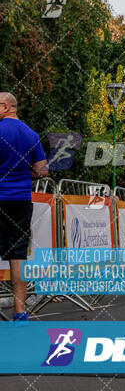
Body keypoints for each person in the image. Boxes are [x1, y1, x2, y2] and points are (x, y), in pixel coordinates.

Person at [0, 92, 48, 323]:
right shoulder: (31, 134)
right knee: (18, 255)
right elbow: (42, 170)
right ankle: (20, 312)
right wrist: (21, 174)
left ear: (6, 106)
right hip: (20, 199)